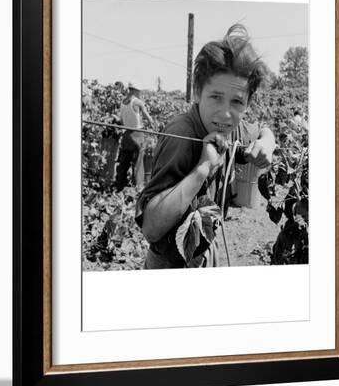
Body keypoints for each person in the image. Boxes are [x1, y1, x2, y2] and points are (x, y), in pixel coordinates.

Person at [135, 23, 275, 269]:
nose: (225, 113)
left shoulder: (232, 127)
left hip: (207, 252)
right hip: (172, 264)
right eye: (215, 97)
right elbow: (151, 228)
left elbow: (261, 129)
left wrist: (267, 142)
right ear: (198, 92)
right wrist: (202, 169)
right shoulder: (181, 136)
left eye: (237, 102)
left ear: (247, 103)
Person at [115, 81, 153, 191]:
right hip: (137, 135)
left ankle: (119, 187)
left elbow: (122, 121)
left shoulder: (122, 102)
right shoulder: (138, 102)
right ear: (135, 90)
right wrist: (151, 123)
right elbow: (148, 118)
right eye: (139, 91)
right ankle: (138, 188)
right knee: (138, 163)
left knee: (124, 163)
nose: (140, 93)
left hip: (126, 135)